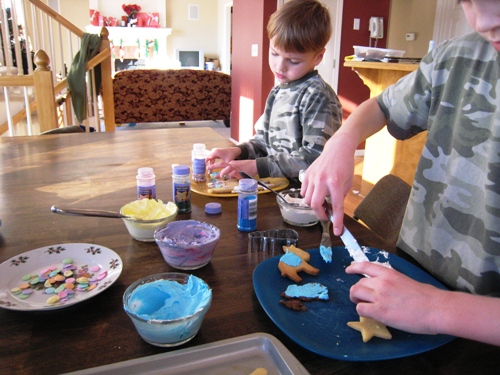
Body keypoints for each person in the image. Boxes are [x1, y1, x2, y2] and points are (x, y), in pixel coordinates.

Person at [301, 0, 500, 346]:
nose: (482, 21)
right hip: (411, 271)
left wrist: (437, 309)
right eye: (467, 0)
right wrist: (343, 141)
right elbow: (382, 106)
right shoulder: (456, 58)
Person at [206, 0, 342, 180]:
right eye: (274, 53)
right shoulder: (278, 91)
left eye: (293, 61)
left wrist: (256, 166)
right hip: (276, 190)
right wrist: (237, 151)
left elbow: (315, 158)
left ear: (318, 57)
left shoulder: (317, 96)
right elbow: (264, 142)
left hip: (304, 200)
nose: (280, 66)